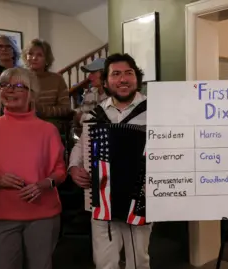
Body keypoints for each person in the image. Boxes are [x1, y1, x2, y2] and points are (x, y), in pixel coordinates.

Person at [69, 53, 150, 269]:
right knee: (104, 261)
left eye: (128, 73)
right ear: (105, 82)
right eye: (116, 74)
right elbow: (81, 144)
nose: (123, 79)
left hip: (142, 197)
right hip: (102, 197)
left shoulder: (155, 111)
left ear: (137, 79)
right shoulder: (95, 114)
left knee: (139, 260)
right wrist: (74, 166)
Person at [0, 67, 66, 269]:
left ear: (32, 94)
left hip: (44, 217)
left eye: (18, 86)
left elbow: (60, 171)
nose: (9, 90)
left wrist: (44, 184)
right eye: (5, 85)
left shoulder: (48, 130)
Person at [22, 38, 71, 119]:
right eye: (30, 54)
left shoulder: (57, 79)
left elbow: (65, 109)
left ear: (47, 59)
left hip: (49, 125)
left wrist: (42, 110)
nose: (34, 58)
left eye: (39, 55)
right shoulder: (18, 77)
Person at [74, 58, 108, 127]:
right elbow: (79, 112)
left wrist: (82, 117)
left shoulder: (114, 95)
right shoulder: (90, 93)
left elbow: (104, 122)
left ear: (104, 74)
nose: (89, 77)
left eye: (93, 72)